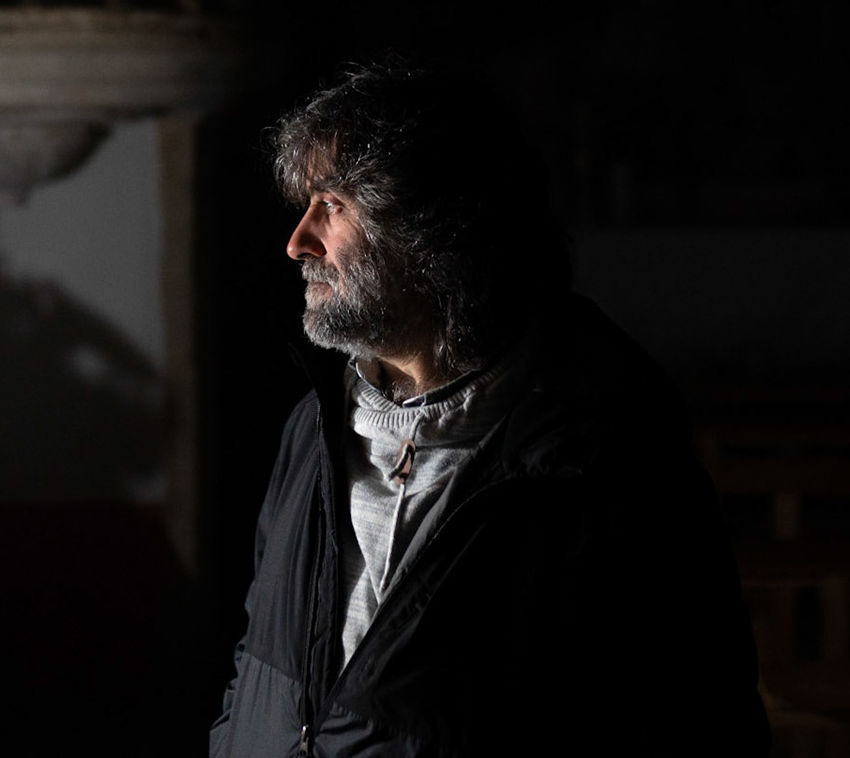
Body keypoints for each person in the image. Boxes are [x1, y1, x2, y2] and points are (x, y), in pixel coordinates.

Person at [210, 61, 770, 756]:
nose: (298, 241)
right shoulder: (314, 426)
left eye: (333, 206)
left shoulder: (598, 452)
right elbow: (259, 661)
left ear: (430, 230)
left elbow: (696, 714)